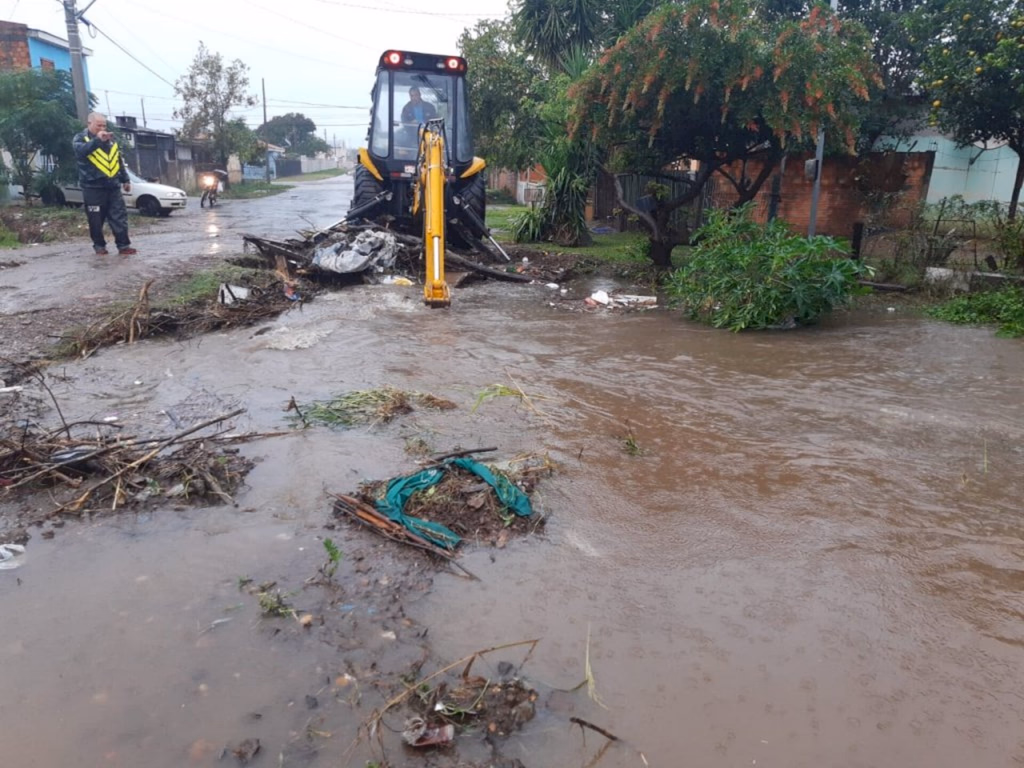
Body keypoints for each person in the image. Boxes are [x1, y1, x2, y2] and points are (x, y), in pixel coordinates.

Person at [73, 112, 136, 256]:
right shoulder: (80, 138)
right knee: (96, 219)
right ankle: (99, 246)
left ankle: (123, 245)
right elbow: (81, 151)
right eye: (98, 125)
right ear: (89, 124)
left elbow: (117, 160)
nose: (102, 128)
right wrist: (97, 140)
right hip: (92, 187)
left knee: (119, 216)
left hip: (112, 186)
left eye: (104, 125)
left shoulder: (111, 141)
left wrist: (125, 179)